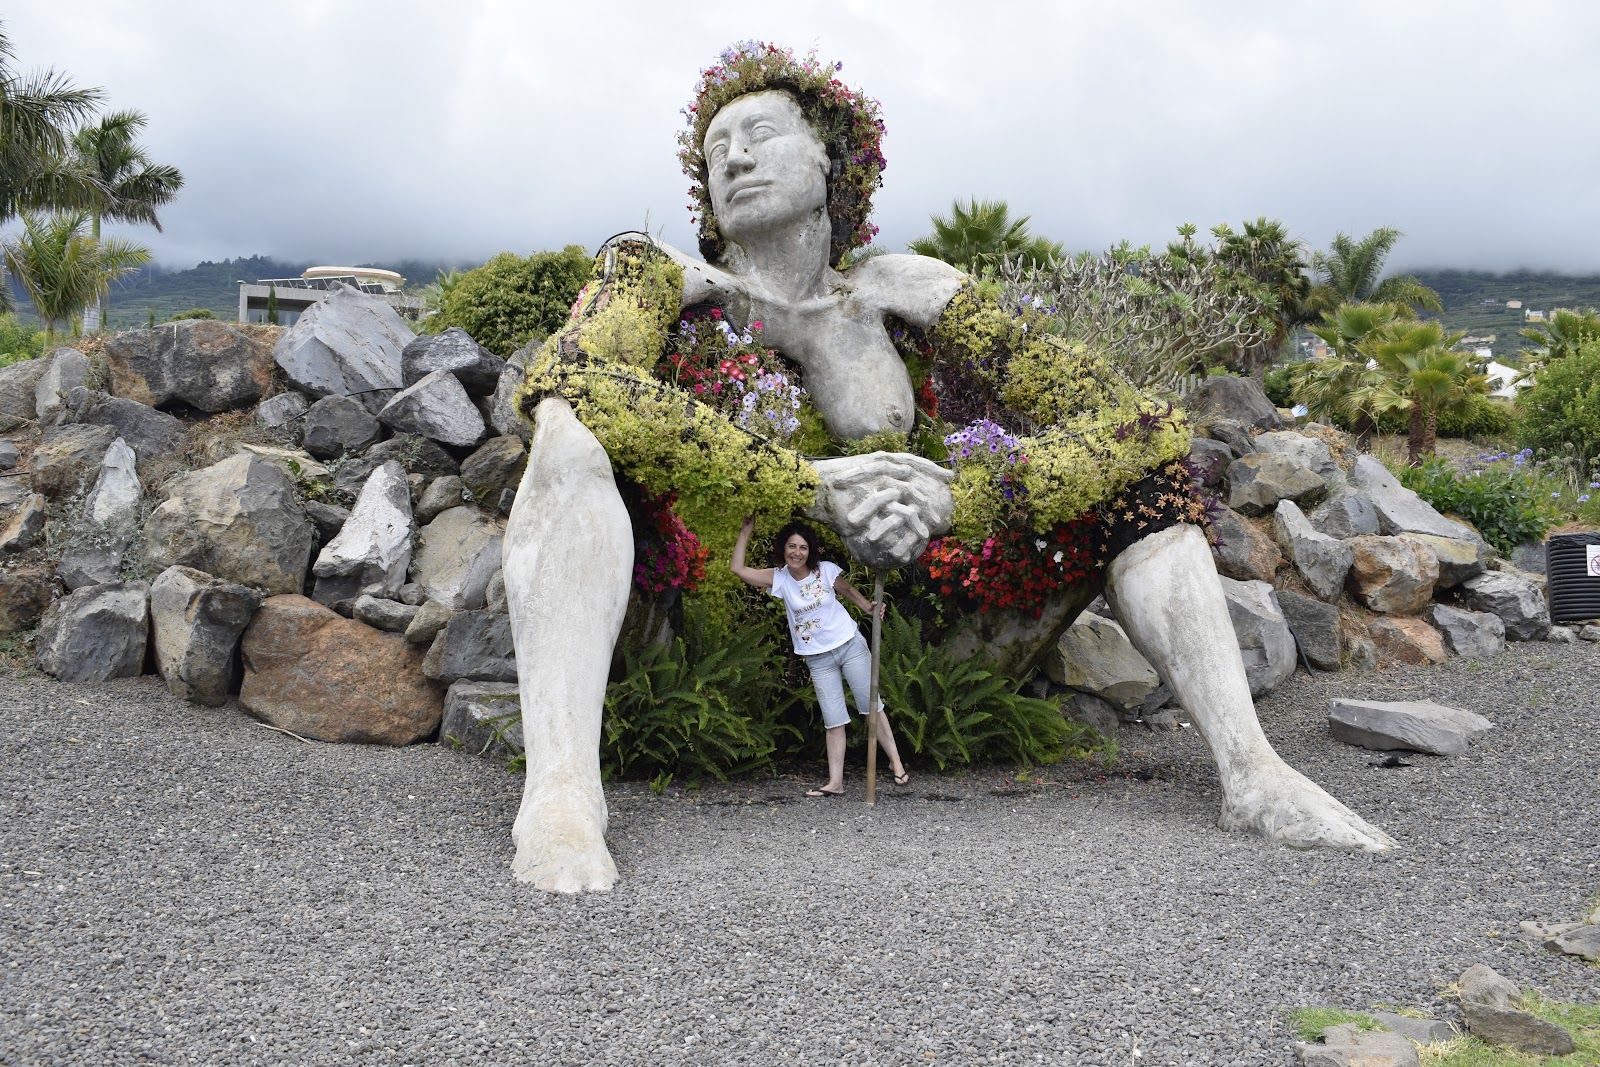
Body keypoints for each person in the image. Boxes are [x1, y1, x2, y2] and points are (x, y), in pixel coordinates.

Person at [501, 43, 1394, 894]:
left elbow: (1137, 423)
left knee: (1145, 483)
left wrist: (965, 495)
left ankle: (1253, 770)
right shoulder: (653, 270)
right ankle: (563, 791)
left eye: (761, 134)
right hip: (708, 640)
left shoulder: (898, 288)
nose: (733, 158)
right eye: (716, 149)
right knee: (567, 436)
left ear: (830, 157)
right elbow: (565, 378)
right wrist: (809, 486)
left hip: (905, 629)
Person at [730, 516, 909, 797]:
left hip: (849, 644)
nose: (797, 552)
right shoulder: (779, 578)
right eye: (792, 546)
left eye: (803, 547)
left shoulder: (824, 570)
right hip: (818, 658)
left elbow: (846, 589)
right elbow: (738, 569)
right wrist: (745, 532)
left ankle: (896, 763)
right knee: (833, 719)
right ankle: (835, 782)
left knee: (871, 706)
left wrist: (868, 607)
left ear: (810, 550)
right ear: (783, 548)